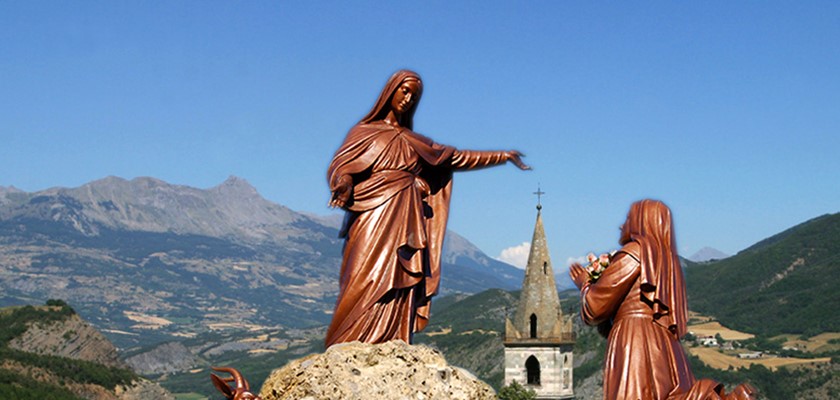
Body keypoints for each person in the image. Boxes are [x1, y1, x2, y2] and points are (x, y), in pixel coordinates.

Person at [325, 70, 530, 347]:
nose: (408, 99)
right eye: (405, 91)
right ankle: (347, 340)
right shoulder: (364, 133)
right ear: (391, 91)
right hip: (372, 211)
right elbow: (342, 167)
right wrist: (344, 182)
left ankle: (389, 339)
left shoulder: (417, 143)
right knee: (362, 276)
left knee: (399, 277)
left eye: (414, 95)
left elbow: (458, 158)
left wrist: (502, 156)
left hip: (405, 216)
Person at [569, 199, 756, 400]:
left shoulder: (635, 252)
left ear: (641, 221)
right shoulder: (667, 261)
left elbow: (595, 308)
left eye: (628, 218)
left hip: (636, 340)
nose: (622, 225)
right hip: (664, 344)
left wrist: (585, 284)